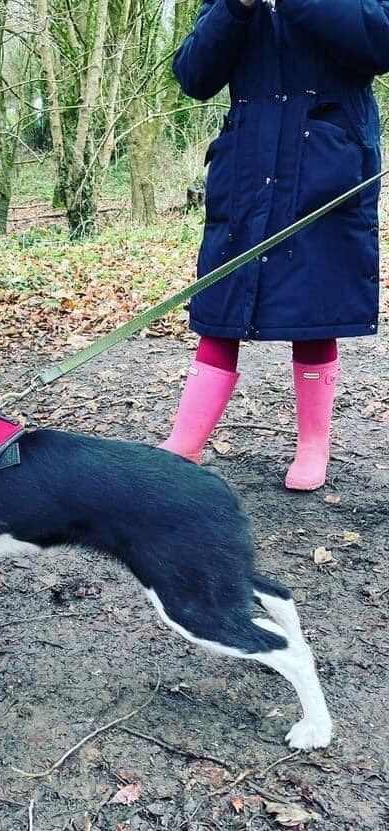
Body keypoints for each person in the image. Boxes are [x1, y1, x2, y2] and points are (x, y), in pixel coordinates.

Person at [160, 0, 389, 490]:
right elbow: (195, 75)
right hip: (245, 165)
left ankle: (312, 445)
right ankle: (185, 442)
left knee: (314, 305)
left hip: (327, 163)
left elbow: (379, 39)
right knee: (221, 303)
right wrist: (235, 8)